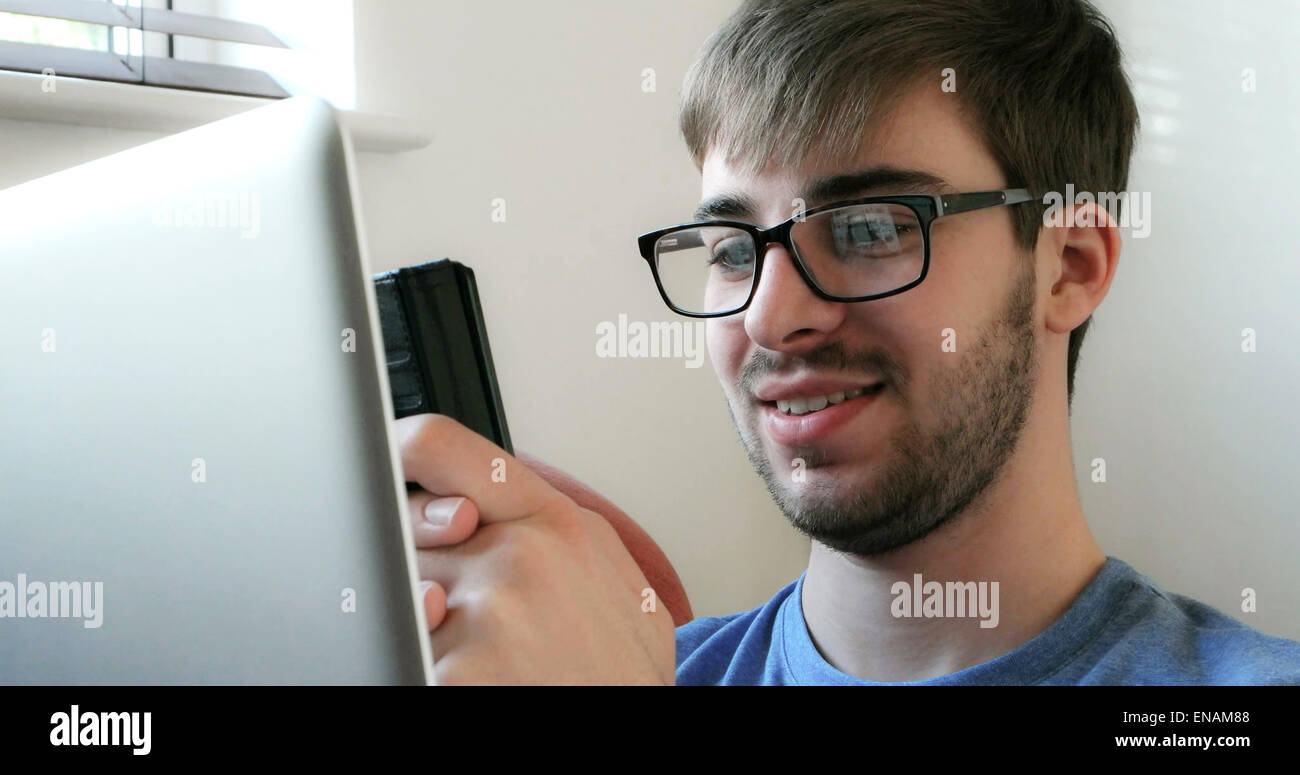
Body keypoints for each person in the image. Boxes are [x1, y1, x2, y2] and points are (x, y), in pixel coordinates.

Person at [400, 0, 1300, 685]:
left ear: (1066, 264)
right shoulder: (621, 666)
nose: (768, 315)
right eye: (730, 249)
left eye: (869, 229)